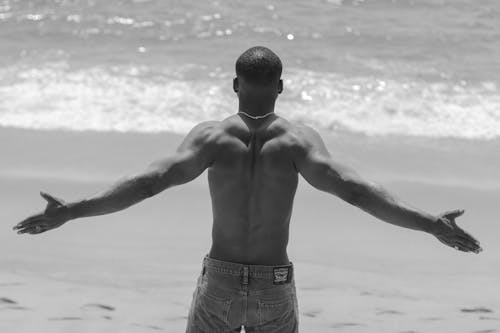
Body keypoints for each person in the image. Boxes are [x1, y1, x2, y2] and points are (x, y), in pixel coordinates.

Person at [13, 46, 482, 333]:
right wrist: (431, 224)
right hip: (273, 283)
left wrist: (71, 211)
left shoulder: (211, 138)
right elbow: (356, 191)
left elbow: (150, 183)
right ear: (280, 87)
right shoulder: (299, 142)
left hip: (218, 279)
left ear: (235, 84)